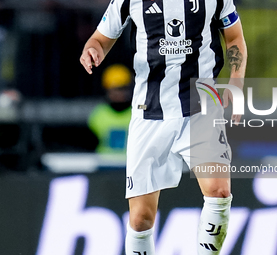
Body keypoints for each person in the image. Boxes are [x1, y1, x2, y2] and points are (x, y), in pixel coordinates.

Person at [80, 0, 247, 254]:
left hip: (201, 107)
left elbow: (234, 38)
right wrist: (93, 50)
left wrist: (236, 81)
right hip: (150, 113)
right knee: (140, 219)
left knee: (219, 192)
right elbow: (100, 39)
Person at [88, 64, 132, 159]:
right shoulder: (98, 115)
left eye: (123, 89)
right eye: (115, 89)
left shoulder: (137, 113)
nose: (119, 93)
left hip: (130, 167)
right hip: (104, 167)